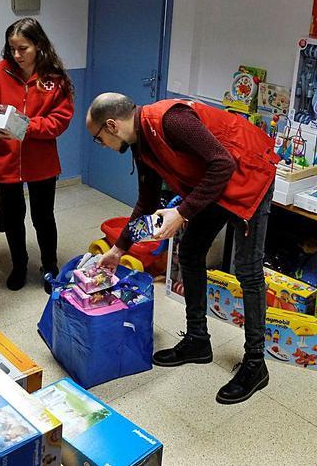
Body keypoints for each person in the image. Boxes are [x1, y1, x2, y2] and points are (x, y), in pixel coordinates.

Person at [88, 92, 279, 405]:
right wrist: (119, 249)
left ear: (111, 126)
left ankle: (256, 364)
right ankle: (197, 341)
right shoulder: (141, 145)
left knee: (247, 269)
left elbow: (223, 163)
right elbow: (146, 203)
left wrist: (183, 212)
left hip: (248, 176)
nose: (102, 146)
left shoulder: (170, 120)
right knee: (189, 253)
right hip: (216, 183)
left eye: (98, 139)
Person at [0, 18, 74, 291]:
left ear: (39, 46)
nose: (16, 55)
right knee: (13, 216)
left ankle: (50, 266)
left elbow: (60, 120)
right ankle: (19, 265)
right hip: (5, 158)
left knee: (43, 216)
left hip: (40, 161)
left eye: (23, 48)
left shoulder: (54, 79)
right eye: (12, 49)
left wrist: (28, 125)